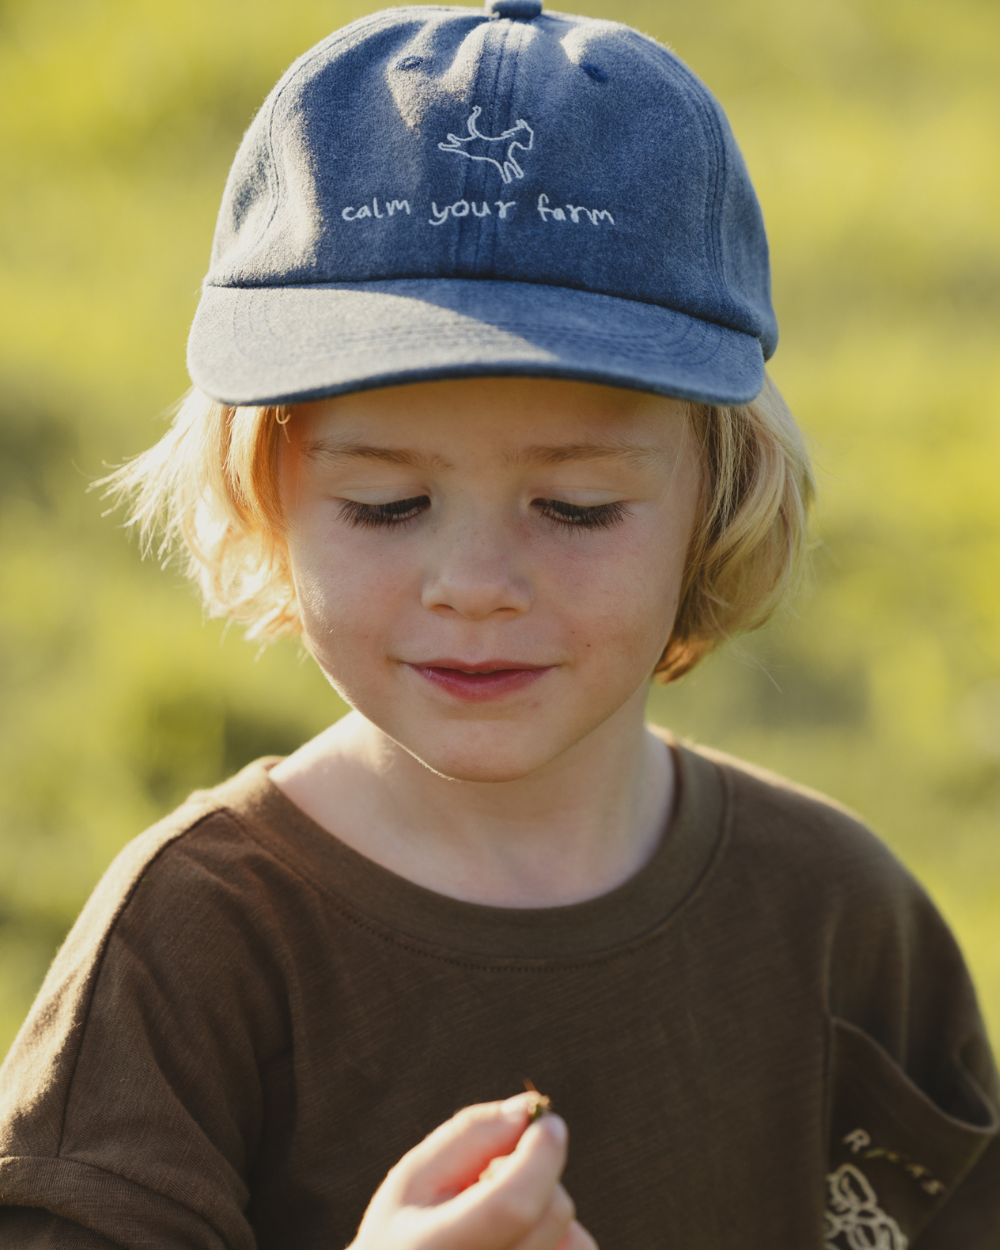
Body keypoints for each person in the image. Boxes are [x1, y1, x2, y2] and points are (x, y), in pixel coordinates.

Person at [0, 2, 997, 1247]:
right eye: (387, 503)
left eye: (575, 507)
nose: (474, 581)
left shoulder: (842, 923)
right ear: (268, 498)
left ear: (718, 501)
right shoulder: (188, 949)